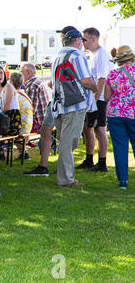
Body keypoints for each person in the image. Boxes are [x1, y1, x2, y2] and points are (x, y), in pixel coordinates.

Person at [23, 25, 76, 177]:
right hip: (55, 102)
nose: (61, 38)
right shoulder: (62, 55)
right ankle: (44, 166)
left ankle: (65, 172)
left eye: (63, 35)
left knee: (63, 136)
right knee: (47, 131)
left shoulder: (72, 55)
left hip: (66, 102)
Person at [50, 29, 97, 187]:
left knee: (66, 141)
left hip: (59, 104)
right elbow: (85, 81)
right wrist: (96, 88)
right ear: (77, 41)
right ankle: (66, 179)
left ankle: (65, 176)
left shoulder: (58, 56)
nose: (82, 44)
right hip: (74, 104)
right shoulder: (76, 55)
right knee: (69, 143)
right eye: (81, 41)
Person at [77, 27, 113, 172]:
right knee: (88, 128)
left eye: (85, 40)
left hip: (99, 99)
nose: (83, 43)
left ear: (93, 39)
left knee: (100, 130)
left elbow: (102, 79)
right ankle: (89, 159)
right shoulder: (93, 55)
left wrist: (95, 102)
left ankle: (102, 163)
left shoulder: (102, 55)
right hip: (93, 99)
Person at [104, 45, 135, 190]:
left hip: (115, 113)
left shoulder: (112, 74)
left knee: (120, 147)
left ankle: (123, 181)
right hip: (133, 113)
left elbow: (106, 96)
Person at [9, 72, 33, 160]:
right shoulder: (23, 94)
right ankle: (23, 153)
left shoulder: (15, 95)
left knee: (4, 129)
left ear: (11, 82)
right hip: (28, 125)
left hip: (22, 127)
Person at [20, 63, 50, 129]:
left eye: (21, 72)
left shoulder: (32, 86)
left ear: (28, 73)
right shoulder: (37, 82)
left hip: (38, 125)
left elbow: (30, 111)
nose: (20, 75)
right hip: (45, 122)